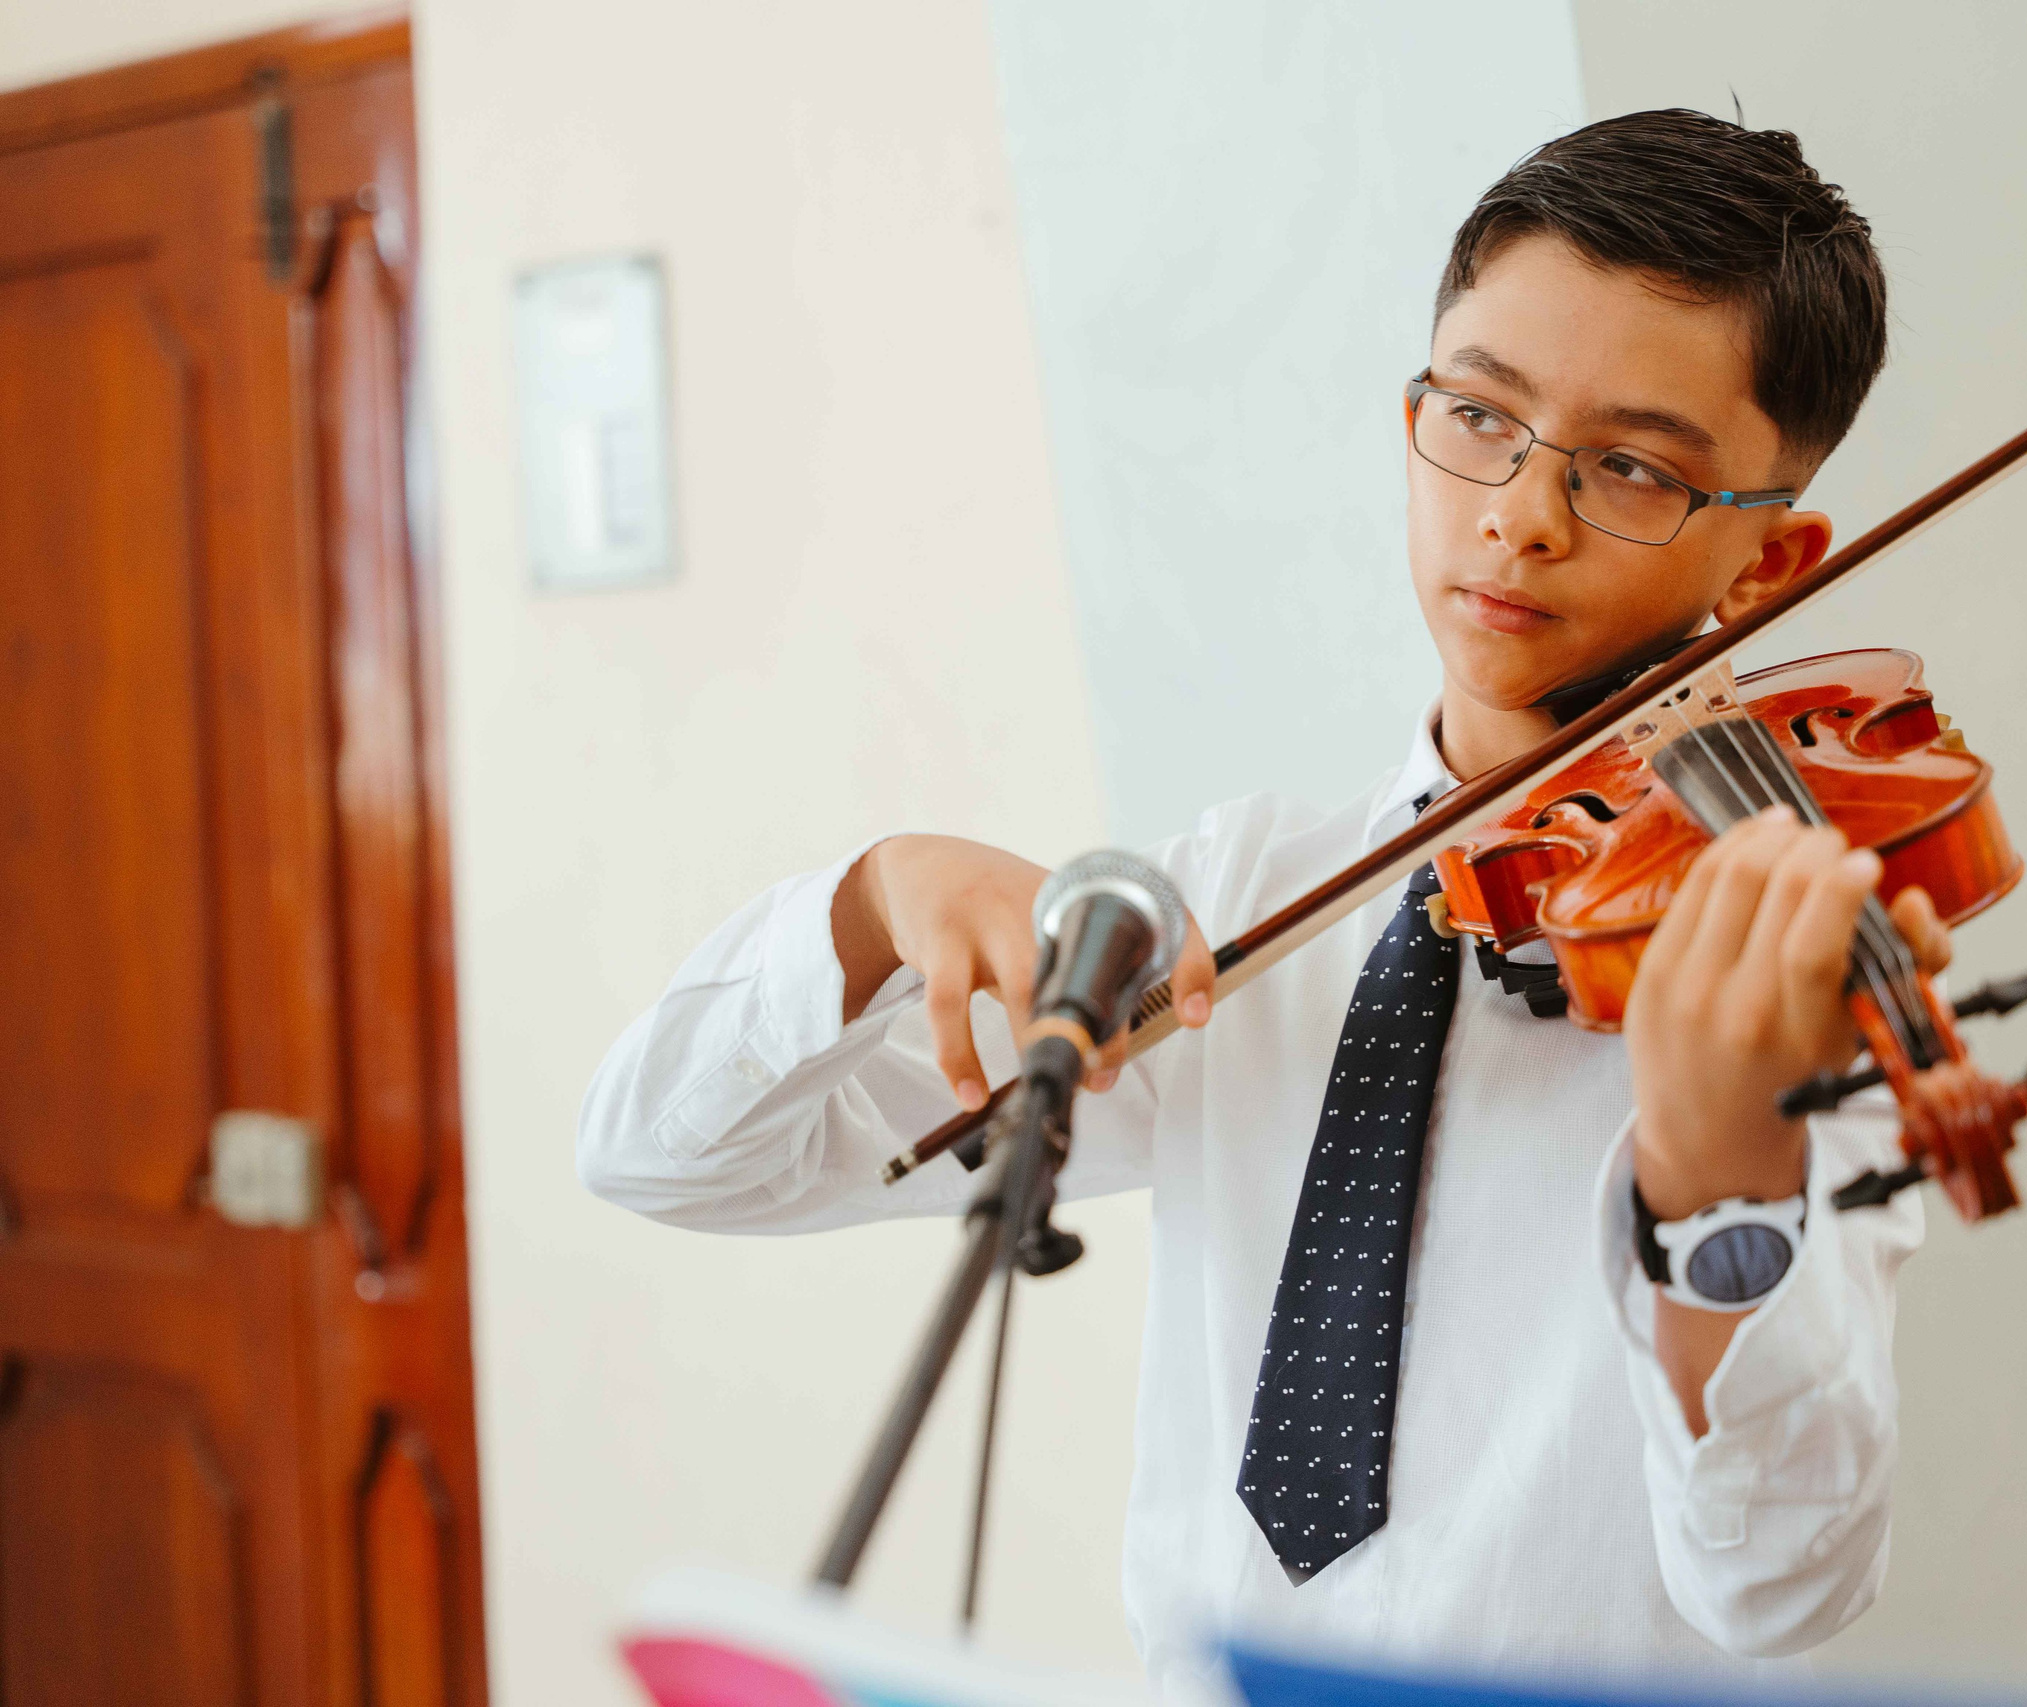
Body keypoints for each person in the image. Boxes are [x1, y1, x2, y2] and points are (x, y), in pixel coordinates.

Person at [580, 109, 1949, 1697]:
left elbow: (1781, 1586)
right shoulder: (1246, 899)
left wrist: (1720, 1183)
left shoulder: (1773, 976)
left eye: (1633, 470)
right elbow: (667, 1157)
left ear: (1772, 565)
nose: (1521, 511)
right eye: (1482, 417)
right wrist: (877, 905)